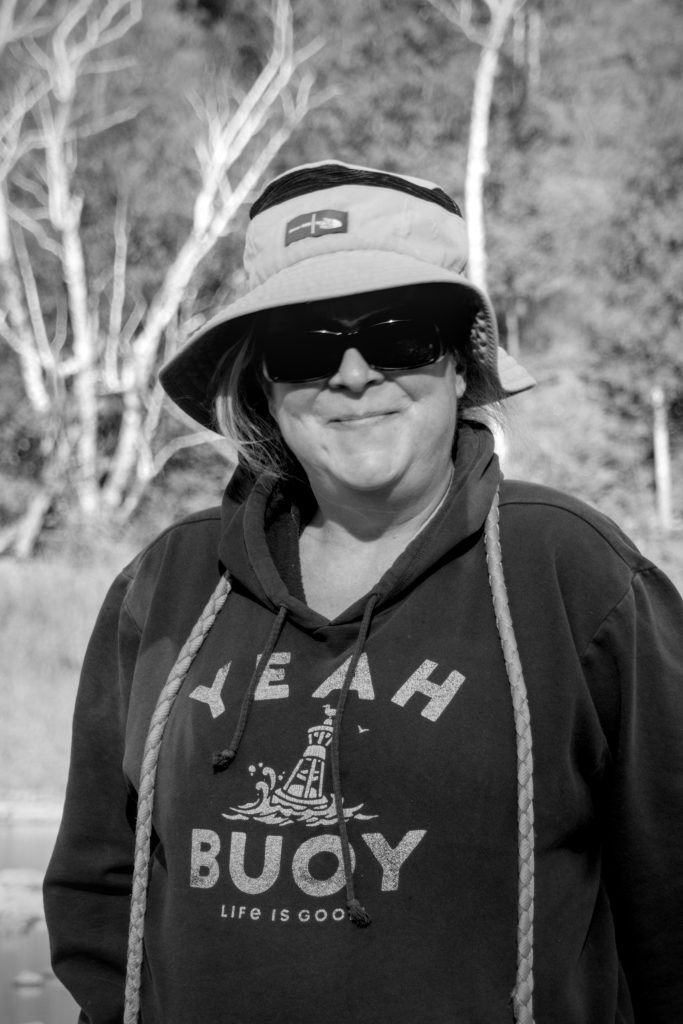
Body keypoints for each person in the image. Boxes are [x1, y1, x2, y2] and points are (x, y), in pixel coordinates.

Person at [44, 161, 683, 1024]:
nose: (351, 374)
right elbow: (99, 890)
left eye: (398, 335)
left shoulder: (574, 573)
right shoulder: (166, 584)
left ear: (459, 364)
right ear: (264, 383)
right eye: (304, 345)